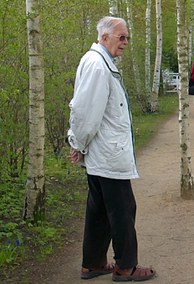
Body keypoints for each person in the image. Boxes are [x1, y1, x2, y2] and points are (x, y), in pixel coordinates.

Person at [67, 16, 156, 282]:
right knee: (122, 209)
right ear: (104, 37)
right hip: (106, 154)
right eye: (122, 37)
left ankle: (92, 264)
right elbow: (85, 112)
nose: (126, 42)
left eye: (127, 37)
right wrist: (77, 143)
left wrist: (79, 143)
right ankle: (126, 267)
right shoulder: (97, 66)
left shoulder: (100, 62)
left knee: (99, 210)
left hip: (102, 153)